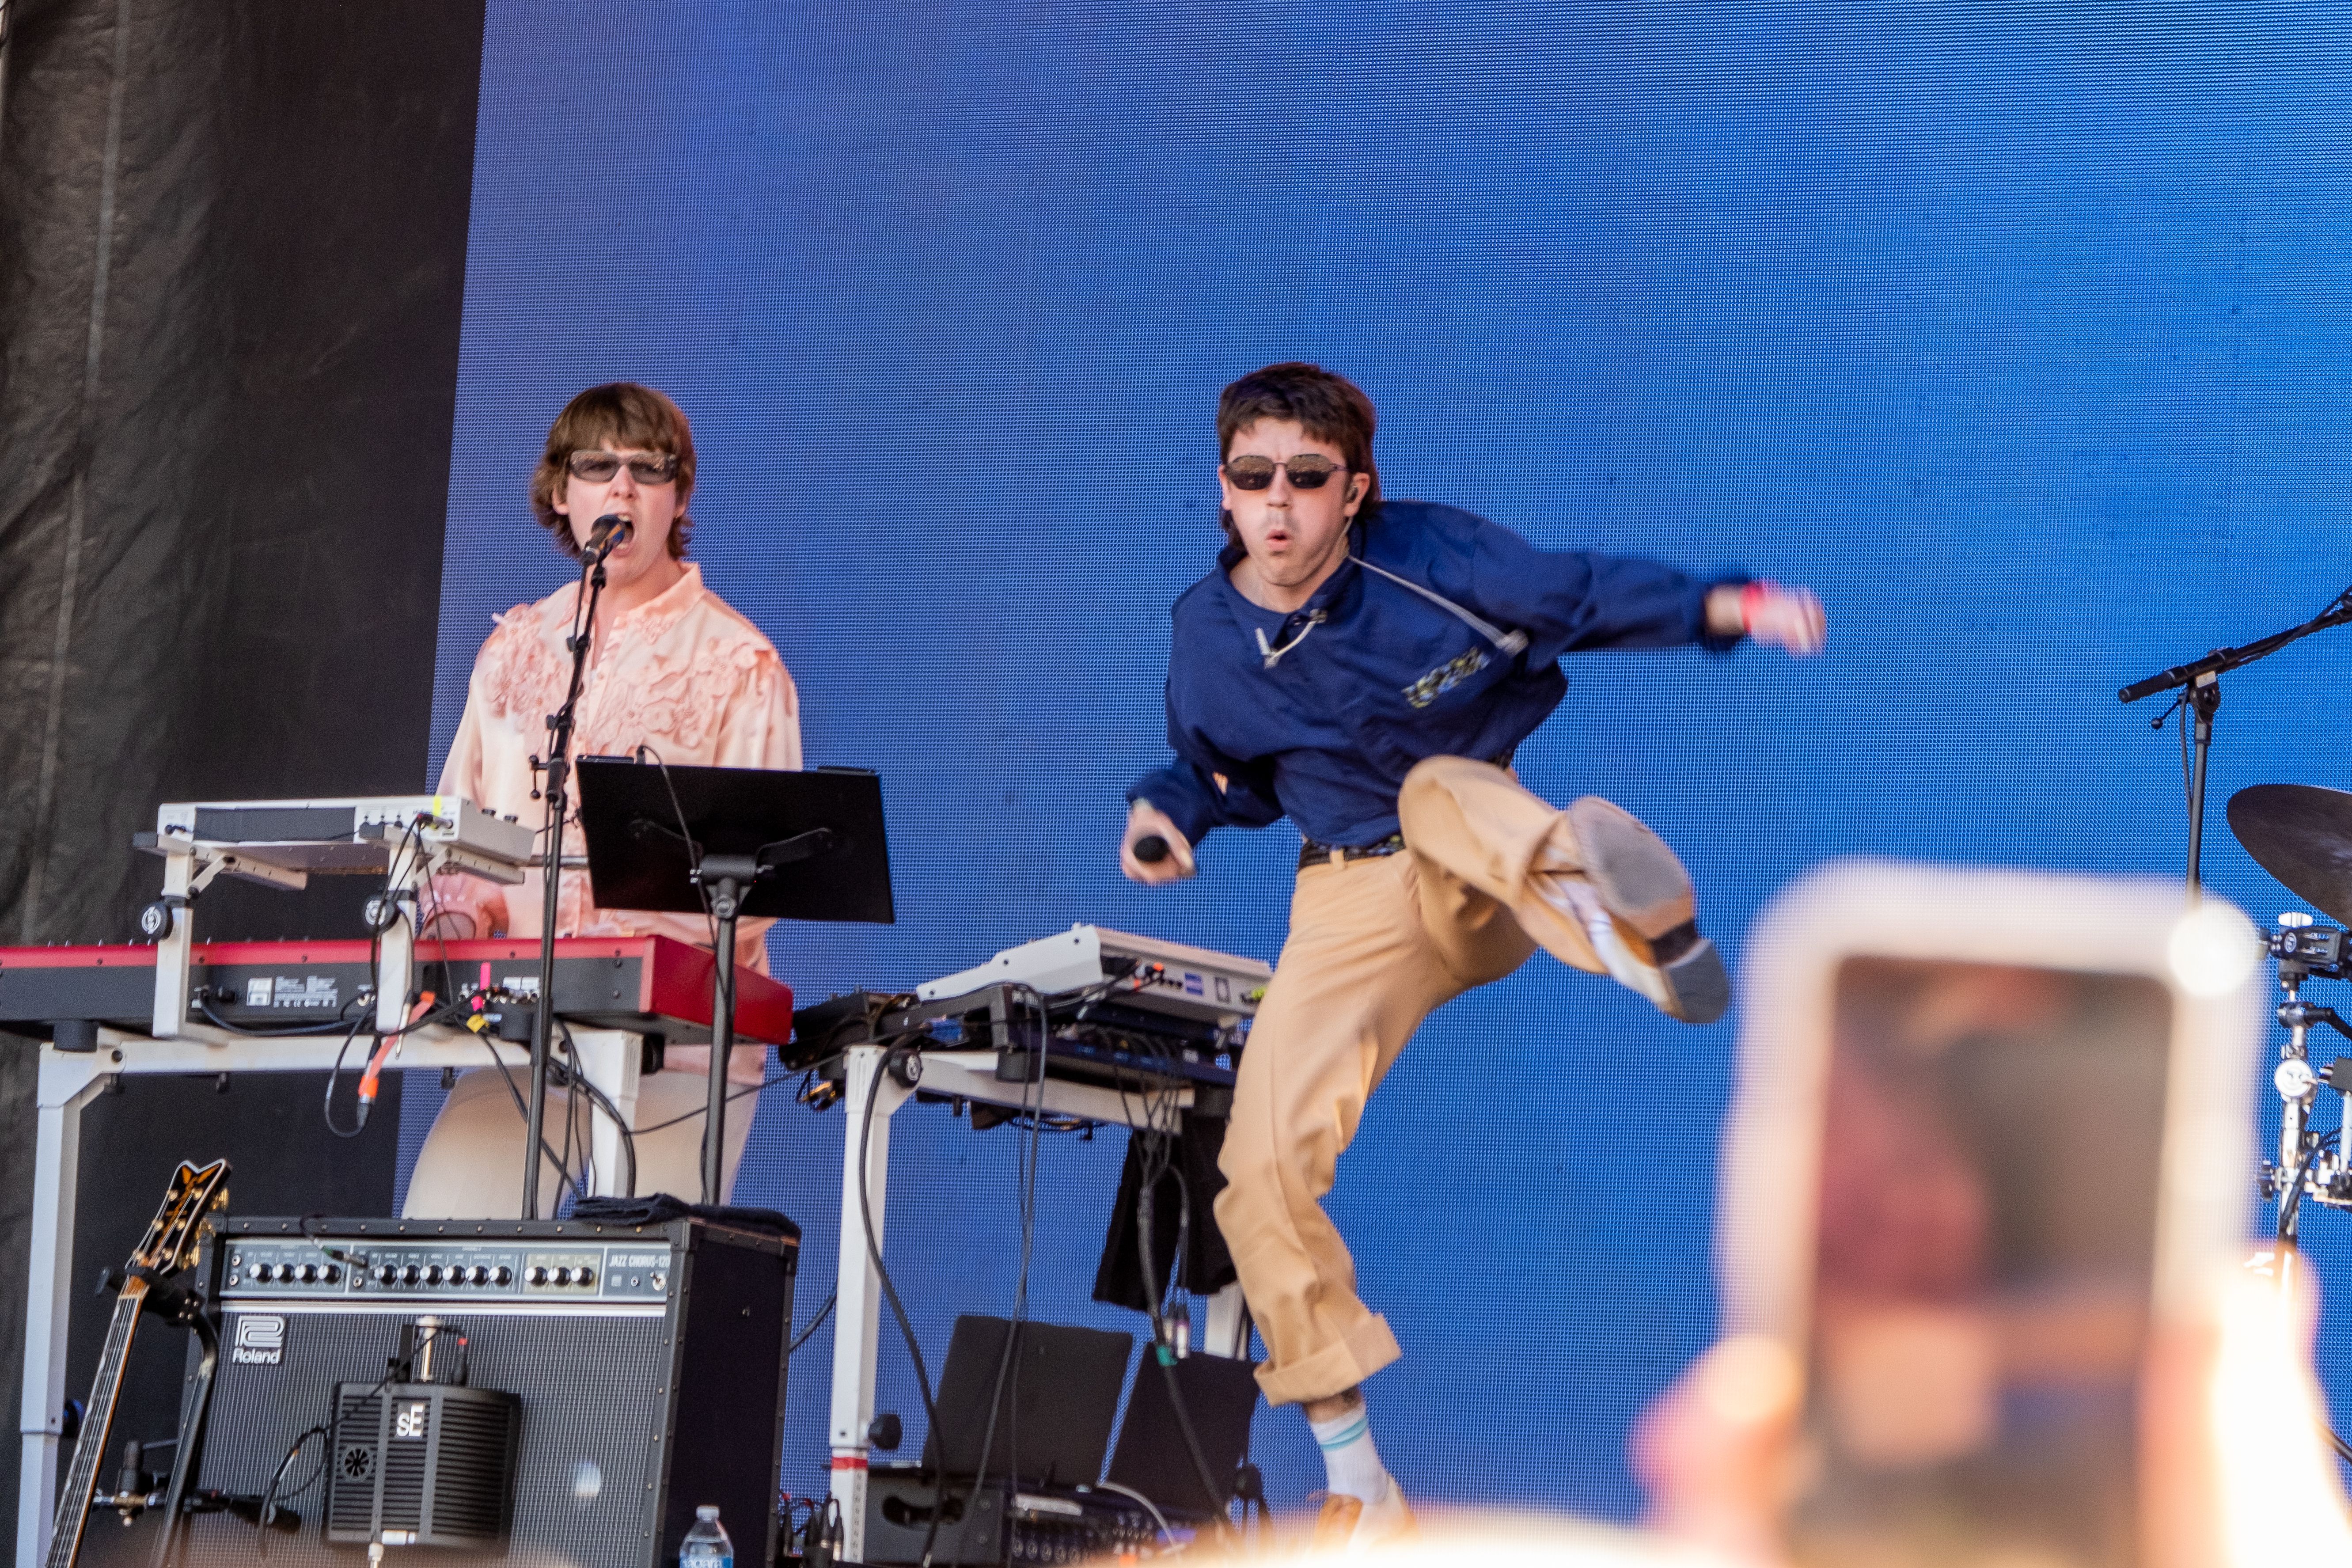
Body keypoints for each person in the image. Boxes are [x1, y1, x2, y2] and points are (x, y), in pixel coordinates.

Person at [1120, 362, 1825, 1549]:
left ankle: (1612, 917)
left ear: (1355, 491)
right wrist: (1165, 816)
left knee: (1445, 786)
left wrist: (1732, 605)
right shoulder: (1204, 632)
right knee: (1258, 1175)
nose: (1279, 506)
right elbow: (1213, 767)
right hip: (1345, 904)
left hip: (1472, 860)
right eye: (1254, 480)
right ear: (1224, 490)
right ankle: (1364, 1487)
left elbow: (1584, 594)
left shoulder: (1432, 559)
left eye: (1307, 479)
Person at [403, 382, 801, 1218]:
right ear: (561, 492)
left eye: (648, 470)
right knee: (441, 1266)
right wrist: (448, 919)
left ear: (678, 497)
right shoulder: (513, 650)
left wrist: (611, 944)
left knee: (630, 1316)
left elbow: (757, 889)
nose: (622, 488)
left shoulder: (739, 663)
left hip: (680, 1042)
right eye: (598, 466)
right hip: (517, 1032)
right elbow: (452, 833)